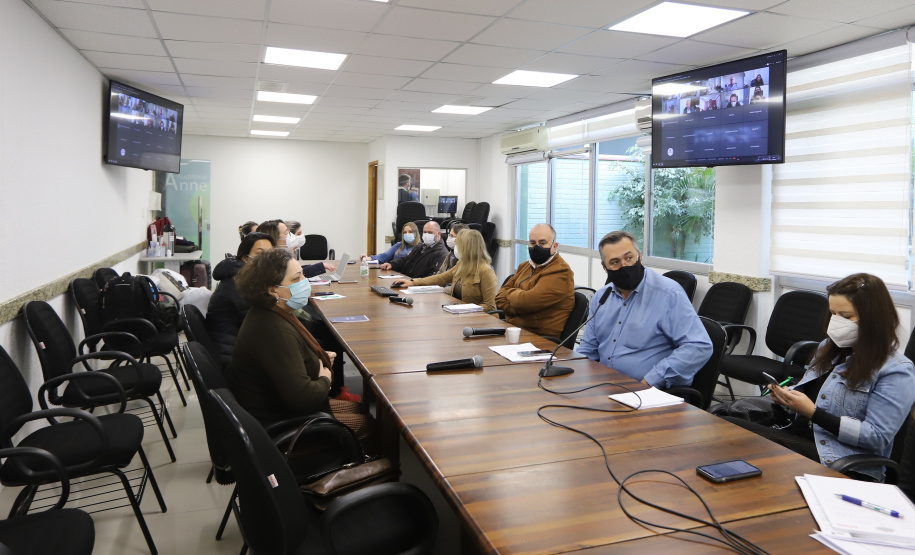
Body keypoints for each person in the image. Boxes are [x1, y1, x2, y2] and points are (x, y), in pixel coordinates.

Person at [725, 274, 915, 482]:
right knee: (726, 423)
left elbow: (876, 437)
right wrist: (787, 398)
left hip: (840, 458)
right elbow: (814, 394)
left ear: (874, 319)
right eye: (833, 313)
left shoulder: (896, 371)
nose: (836, 322)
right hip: (802, 435)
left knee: (733, 432)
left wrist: (812, 412)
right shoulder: (827, 348)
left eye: (846, 316)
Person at [227, 249, 370, 435]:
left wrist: (315, 358)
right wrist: (325, 377)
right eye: (296, 278)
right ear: (272, 290)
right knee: (368, 424)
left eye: (302, 275)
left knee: (361, 409)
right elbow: (304, 397)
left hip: (280, 409)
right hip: (282, 424)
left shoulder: (270, 311)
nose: (304, 282)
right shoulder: (274, 330)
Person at [578, 231, 712, 388]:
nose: (624, 265)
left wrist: (652, 380)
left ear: (639, 256)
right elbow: (588, 348)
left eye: (629, 258)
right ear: (604, 267)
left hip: (648, 391)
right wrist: (574, 372)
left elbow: (699, 346)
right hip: (604, 385)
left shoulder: (668, 294)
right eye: (615, 262)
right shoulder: (602, 297)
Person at [495, 224, 574, 338]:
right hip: (515, 330)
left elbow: (526, 303)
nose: (537, 247)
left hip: (540, 338)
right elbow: (499, 297)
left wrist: (511, 295)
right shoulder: (525, 266)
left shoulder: (561, 271)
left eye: (542, 243)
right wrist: (518, 307)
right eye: (532, 243)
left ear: (554, 246)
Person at [207, 232, 274, 367]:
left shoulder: (244, 277)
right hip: (234, 360)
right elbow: (260, 326)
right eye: (260, 254)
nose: (266, 259)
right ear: (245, 258)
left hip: (238, 348)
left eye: (270, 254)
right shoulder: (239, 285)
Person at [393, 229, 497, 312]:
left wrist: (466, 309)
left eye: (458, 245)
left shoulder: (486, 271)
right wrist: (413, 282)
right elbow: (440, 278)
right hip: (460, 315)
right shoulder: (461, 264)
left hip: (478, 320)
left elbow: (490, 306)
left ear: (468, 248)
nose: (456, 248)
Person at [257, 219, 333, 278]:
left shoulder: (281, 256)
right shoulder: (270, 262)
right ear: (274, 238)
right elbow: (295, 273)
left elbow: (296, 270)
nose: (290, 236)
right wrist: (319, 266)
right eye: (286, 233)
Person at [381, 221, 448, 278]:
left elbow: (434, 277)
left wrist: (413, 282)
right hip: (407, 280)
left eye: (430, 232)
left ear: (438, 234)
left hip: (419, 286)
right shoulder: (420, 247)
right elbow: (406, 259)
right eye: (425, 232)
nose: (426, 235)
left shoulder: (441, 253)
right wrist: (392, 264)